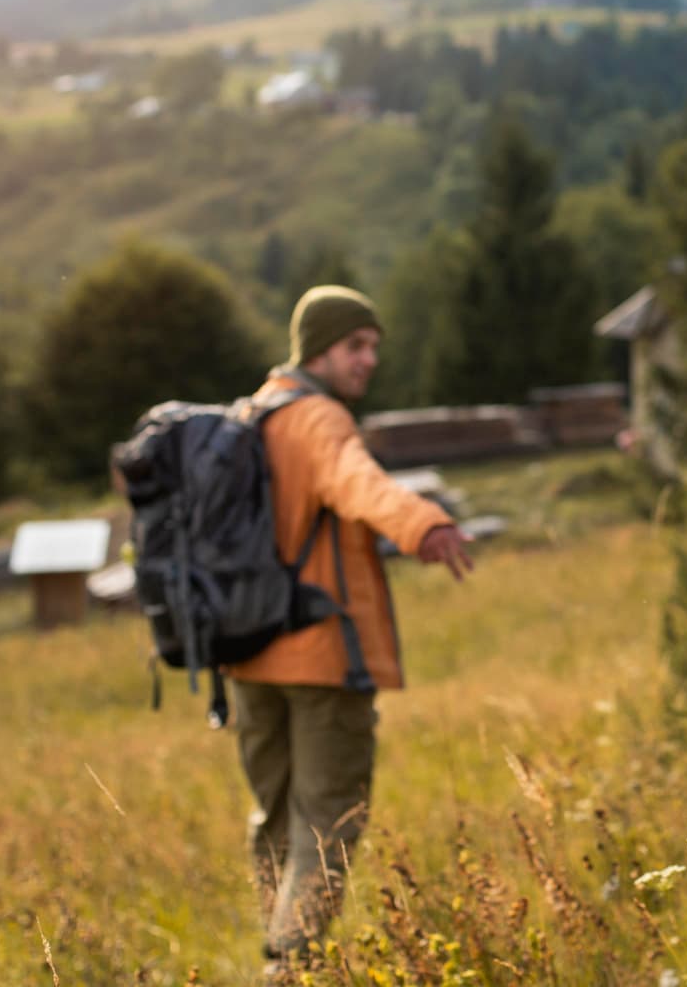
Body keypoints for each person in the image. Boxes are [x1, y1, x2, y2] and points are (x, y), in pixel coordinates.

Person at [225, 285, 474, 979]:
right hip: (320, 655)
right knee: (328, 822)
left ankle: (277, 953)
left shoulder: (249, 415)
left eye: (373, 347)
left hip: (246, 653)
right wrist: (424, 522)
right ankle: (290, 972)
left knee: (274, 820)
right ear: (318, 349)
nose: (368, 360)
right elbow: (358, 482)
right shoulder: (317, 419)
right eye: (355, 345)